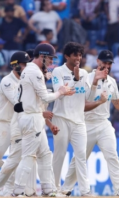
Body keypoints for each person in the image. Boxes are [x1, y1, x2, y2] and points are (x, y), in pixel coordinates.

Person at [61, 50, 119, 196]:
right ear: (98, 62)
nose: (106, 66)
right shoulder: (85, 77)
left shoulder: (112, 81)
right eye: (104, 63)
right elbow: (84, 101)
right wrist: (95, 82)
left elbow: (118, 103)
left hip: (103, 123)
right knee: (79, 159)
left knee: (112, 156)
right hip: (85, 123)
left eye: (109, 63)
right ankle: (65, 190)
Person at [12, 43, 75, 196]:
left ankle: (49, 190)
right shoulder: (35, 72)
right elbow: (46, 97)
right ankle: (17, 192)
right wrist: (60, 91)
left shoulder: (30, 70)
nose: (51, 62)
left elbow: (23, 98)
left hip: (33, 117)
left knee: (45, 155)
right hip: (32, 118)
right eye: (50, 58)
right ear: (42, 56)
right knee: (28, 156)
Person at [51, 42, 107, 196]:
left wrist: (95, 82)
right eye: (75, 54)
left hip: (79, 121)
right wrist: (75, 79)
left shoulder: (84, 73)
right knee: (59, 155)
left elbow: (87, 96)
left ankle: (85, 191)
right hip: (61, 119)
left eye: (80, 55)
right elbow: (59, 92)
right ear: (67, 56)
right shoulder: (58, 71)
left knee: (81, 157)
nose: (78, 58)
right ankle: (54, 189)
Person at [0, 51, 30, 171]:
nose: (25, 67)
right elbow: (16, 102)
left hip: (18, 124)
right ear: (14, 65)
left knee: (17, 159)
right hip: (4, 124)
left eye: (27, 64)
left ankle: (10, 188)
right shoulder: (7, 81)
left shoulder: (24, 81)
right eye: (23, 64)